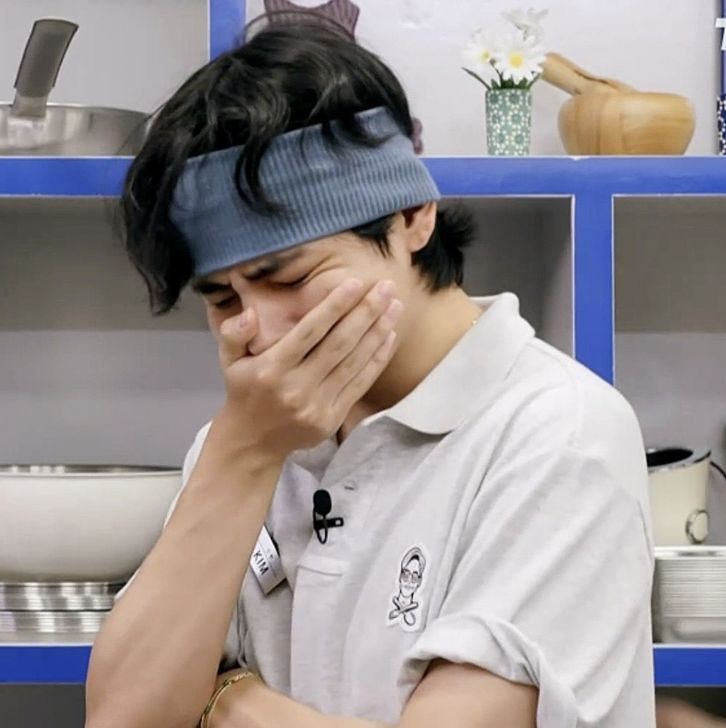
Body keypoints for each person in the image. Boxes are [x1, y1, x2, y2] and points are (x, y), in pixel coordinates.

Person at [85, 18, 656, 728]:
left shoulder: (556, 433)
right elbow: (122, 719)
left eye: (289, 277)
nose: (256, 332)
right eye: (223, 298)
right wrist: (244, 451)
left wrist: (226, 697)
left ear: (413, 216)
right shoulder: (247, 436)